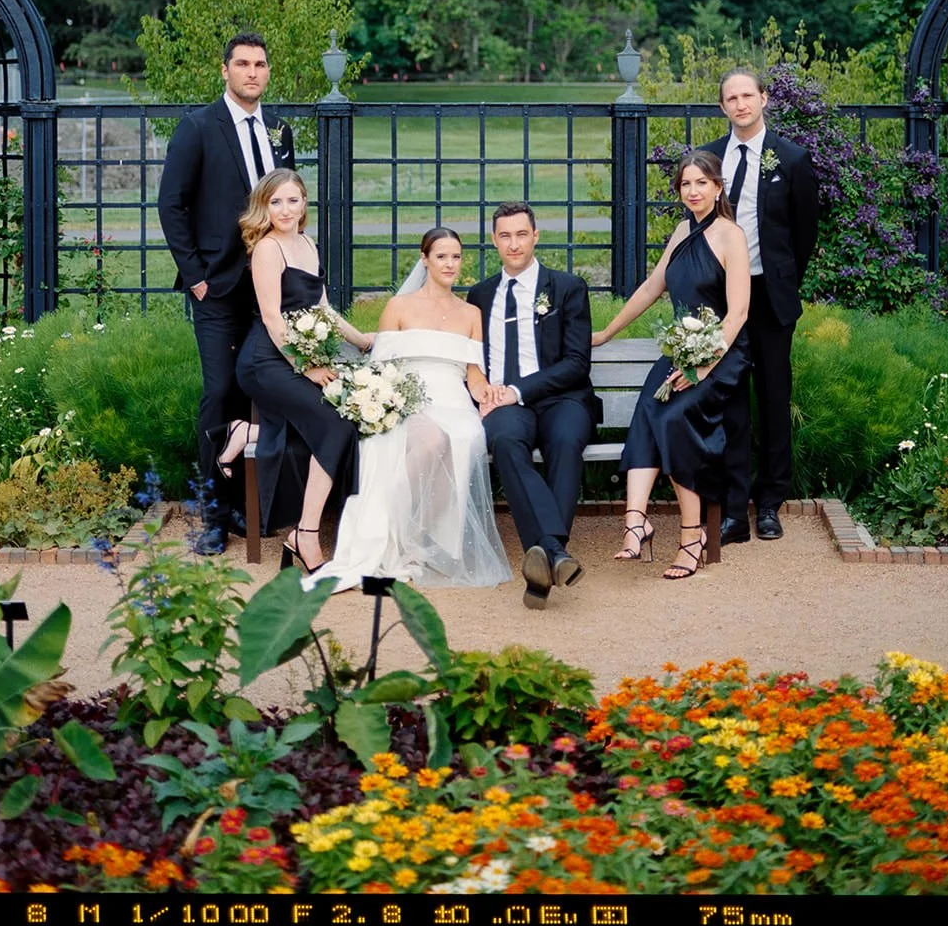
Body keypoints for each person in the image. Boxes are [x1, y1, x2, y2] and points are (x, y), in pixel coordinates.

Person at [306, 228, 512, 592]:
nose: (449, 264)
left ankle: (418, 538)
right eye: (441, 257)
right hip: (409, 399)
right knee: (432, 441)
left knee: (466, 437)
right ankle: (392, 528)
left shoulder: (471, 313)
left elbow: (474, 376)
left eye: (456, 257)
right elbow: (381, 369)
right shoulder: (399, 307)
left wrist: (488, 394)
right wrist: (387, 403)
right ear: (425, 259)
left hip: (455, 401)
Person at [157, 33, 295, 552]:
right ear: (225, 71)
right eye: (242, 64)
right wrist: (196, 277)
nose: (252, 72)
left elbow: (287, 202)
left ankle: (247, 507)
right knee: (219, 395)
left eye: (260, 64)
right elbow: (171, 205)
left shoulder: (279, 130)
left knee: (256, 393)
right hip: (216, 287)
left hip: (271, 289)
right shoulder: (197, 127)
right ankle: (213, 516)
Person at [593, 151, 751, 579]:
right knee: (649, 409)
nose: (693, 191)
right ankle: (635, 522)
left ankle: (691, 536)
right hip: (680, 350)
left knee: (673, 419)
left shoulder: (731, 235)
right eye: (685, 184)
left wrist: (703, 367)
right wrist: (607, 332)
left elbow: (738, 313)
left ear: (717, 187)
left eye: (701, 183)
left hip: (722, 356)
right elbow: (651, 287)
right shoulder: (682, 231)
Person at [235, 169, 371, 573]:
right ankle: (305, 534)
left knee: (343, 418)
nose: (284, 210)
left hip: (297, 356)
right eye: (275, 202)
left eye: (292, 200)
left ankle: (246, 433)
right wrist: (306, 365)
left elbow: (323, 309)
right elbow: (273, 318)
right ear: (264, 207)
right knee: (336, 423)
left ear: (304, 204)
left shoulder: (309, 244)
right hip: (265, 361)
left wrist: (363, 341)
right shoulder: (267, 249)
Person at [467, 203, 602, 610]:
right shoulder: (480, 295)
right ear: (494, 241)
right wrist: (487, 392)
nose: (514, 244)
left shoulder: (567, 287)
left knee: (565, 440)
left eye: (521, 234)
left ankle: (542, 561)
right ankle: (554, 554)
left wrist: (518, 389)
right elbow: (470, 358)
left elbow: (577, 363)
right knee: (506, 441)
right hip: (505, 405)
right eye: (505, 236)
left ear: (536, 236)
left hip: (564, 398)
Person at [704, 68, 820, 543]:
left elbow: (804, 233)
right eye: (731, 98)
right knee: (729, 401)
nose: (740, 104)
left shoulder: (792, 158)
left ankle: (769, 503)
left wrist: (782, 281)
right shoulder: (710, 158)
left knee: (773, 399)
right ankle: (733, 506)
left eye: (747, 95)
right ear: (722, 106)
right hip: (721, 300)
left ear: (764, 99)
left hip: (770, 299)